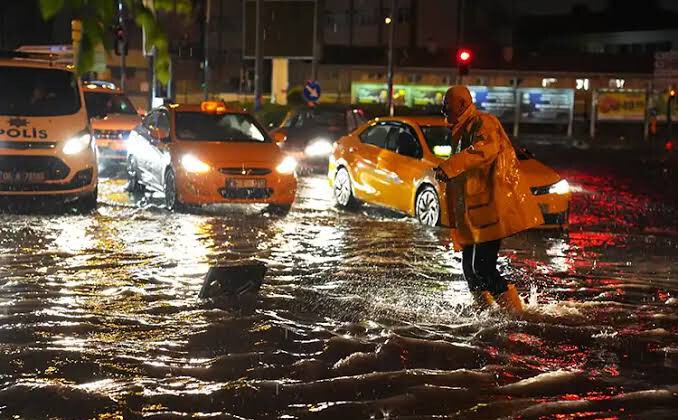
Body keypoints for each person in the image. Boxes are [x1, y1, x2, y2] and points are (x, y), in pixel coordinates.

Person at [434, 86, 544, 314]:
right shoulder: (462, 129)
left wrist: (450, 167)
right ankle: (485, 313)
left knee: (482, 267)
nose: (443, 108)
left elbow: (484, 150)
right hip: (473, 214)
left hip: (489, 211)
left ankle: (516, 314)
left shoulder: (484, 123)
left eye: (447, 103)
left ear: (463, 105)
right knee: (470, 269)